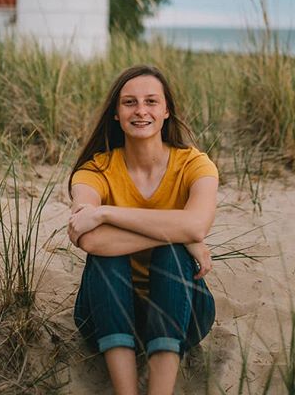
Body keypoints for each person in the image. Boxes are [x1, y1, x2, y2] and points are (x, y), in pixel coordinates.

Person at [68, 64, 218, 395]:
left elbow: (196, 224)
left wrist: (106, 212)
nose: (141, 111)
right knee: (107, 258)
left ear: (166, 111)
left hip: (183, 312)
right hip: (106, 312)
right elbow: (90, 238)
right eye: (129, 102)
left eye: (151, 101)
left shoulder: (195, 164)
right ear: (116, 115)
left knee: (172, 254)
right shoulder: (95, 170)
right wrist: (182, 233)